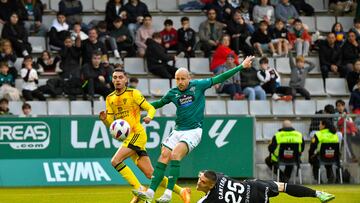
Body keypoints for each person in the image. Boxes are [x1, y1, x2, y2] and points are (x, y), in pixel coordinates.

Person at [132, 56, 255, 203]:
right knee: (164, 154)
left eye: (183, 78)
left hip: (193, 131)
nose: (180, 82)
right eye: (177, 79)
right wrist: (140, 107)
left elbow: (220, 77)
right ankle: (151, 192)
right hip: (178, 130)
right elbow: (158, 103)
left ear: (189, 78)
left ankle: (168, 194)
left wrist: (241, 66)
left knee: (175, 154)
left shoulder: (199, 85)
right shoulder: (173, 93)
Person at [99, 68, 190, 203]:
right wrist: (105, 120)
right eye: (115, 77)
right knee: (150, 174)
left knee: (115, 161)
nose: (117, 80)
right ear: (112, 80)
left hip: (137, 134)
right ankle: (181, 191)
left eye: (120, 77)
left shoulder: (133, 93)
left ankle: (139, 188)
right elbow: (113, 125)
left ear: (126, 80)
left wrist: (149, 117)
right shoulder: (109, 98)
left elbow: (151, 107)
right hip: (128, 137)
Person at [195, 170, 335, 203]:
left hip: (253, 199)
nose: (198, 182)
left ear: (211, 184)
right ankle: (318, 194)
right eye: (199, 179)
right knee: (283, 187)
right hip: (255, 186)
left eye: (202, 181)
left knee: (283, 187)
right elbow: (209, 173)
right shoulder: (218, 176)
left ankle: (318, 195)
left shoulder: (208, 200)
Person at [309, 119, 340, 183]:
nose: (319, 125)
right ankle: (331, 177)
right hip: (333, 157)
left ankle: (318, 180)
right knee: (328, 163)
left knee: (314, 159)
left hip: (321, 157)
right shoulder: (335, 134)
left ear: (324, 126)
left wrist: (310, 156)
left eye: (320, 124)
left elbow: (312, 147)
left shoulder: (318, 134)